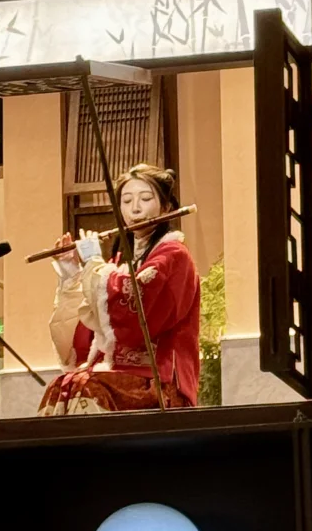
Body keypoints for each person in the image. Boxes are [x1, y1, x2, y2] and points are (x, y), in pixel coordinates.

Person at [39, 163, 200, 416]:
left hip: (158, 378)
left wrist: (93, 263)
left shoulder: (173, 255)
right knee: (62, 386)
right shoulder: (119, 263)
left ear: (166, 207)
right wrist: (74, 275)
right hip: (119, 374)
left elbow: (134, 308)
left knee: (88, 388)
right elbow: (93, 332)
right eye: (126, 201)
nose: (135, 208)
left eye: (145, 199)